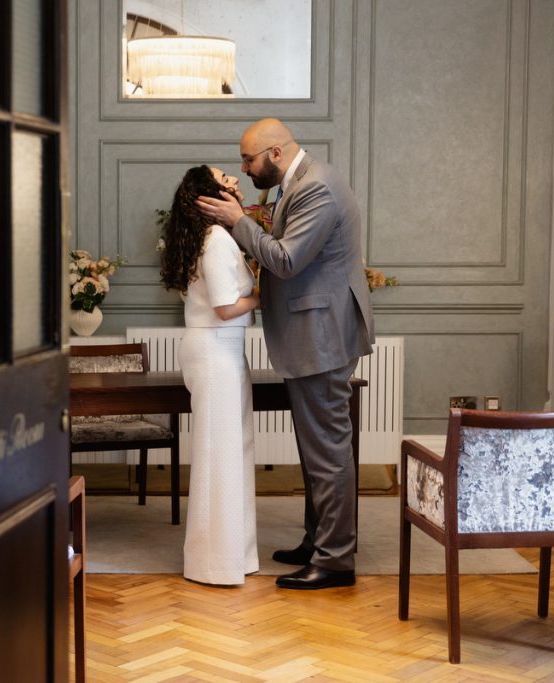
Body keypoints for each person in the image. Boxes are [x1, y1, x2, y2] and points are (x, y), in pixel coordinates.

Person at [196, 118, 375, 590]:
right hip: (313, 333)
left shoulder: (317, 187)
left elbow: (287, 260)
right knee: (317, 449)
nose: (244, 168)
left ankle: (335, 560)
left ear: (274, 153)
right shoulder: (298, 181)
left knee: (328, 452)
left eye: (248, 159)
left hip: (322, 335)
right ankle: (319, 540)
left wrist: (237, 222)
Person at [161, 165, 260, 586]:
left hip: (218, 350)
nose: (235, 181)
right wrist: (262, 296)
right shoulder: (216, 239)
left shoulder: (204, 238)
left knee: (231, 451)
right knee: (221, 455)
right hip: (216, 351)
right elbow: (224, 307)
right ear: (209, 196)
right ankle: (214, 564)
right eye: (226, 178)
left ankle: (234, 555)